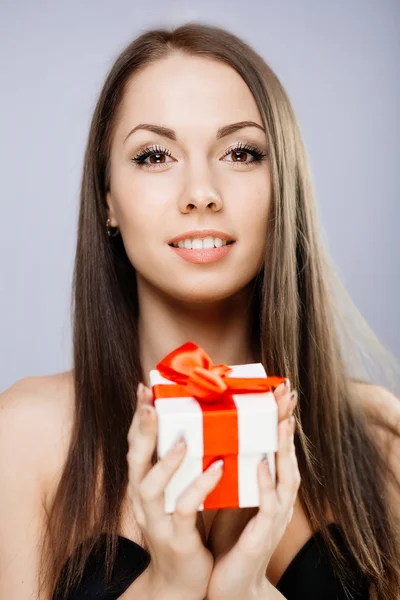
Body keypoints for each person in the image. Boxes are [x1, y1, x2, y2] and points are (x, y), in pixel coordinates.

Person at [1, 22, 399, 600]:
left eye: (241, 152)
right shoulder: (23, 436)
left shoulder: (381, 439)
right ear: (107, 200)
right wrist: (171, 585)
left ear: (281, 184)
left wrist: (246, 589)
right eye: (155, 155)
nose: (200, 192)